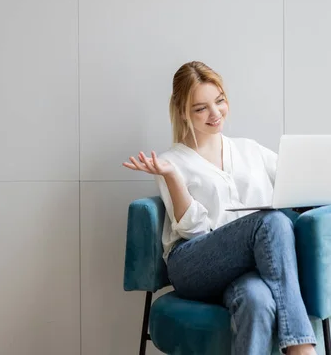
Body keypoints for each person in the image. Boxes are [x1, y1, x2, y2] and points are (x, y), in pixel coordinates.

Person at [123, 61, 317, 355]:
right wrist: (172, 177)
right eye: (201, 108)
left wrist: (316, 191)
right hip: (193, 265)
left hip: (247, 267)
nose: (215, 114)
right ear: (182, 112)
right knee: (273, 222)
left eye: (219, 101)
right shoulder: (171, 162)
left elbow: (298, 185)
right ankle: (301, 348)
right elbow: (194, 230)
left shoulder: (250, 150)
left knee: (257, 299)